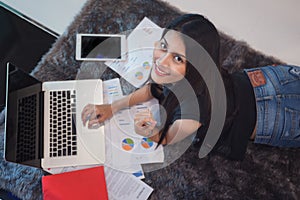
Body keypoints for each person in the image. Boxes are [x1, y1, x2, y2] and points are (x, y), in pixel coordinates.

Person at [81, 14, 300, 160]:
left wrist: (149, 132)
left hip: (278, 116)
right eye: (163, 47)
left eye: (177, 58)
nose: (161, 62)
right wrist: (112, 107)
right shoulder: (183, 75)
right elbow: (152, 90)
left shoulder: (193, 111)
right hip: (271, 80)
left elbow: (165, 138)